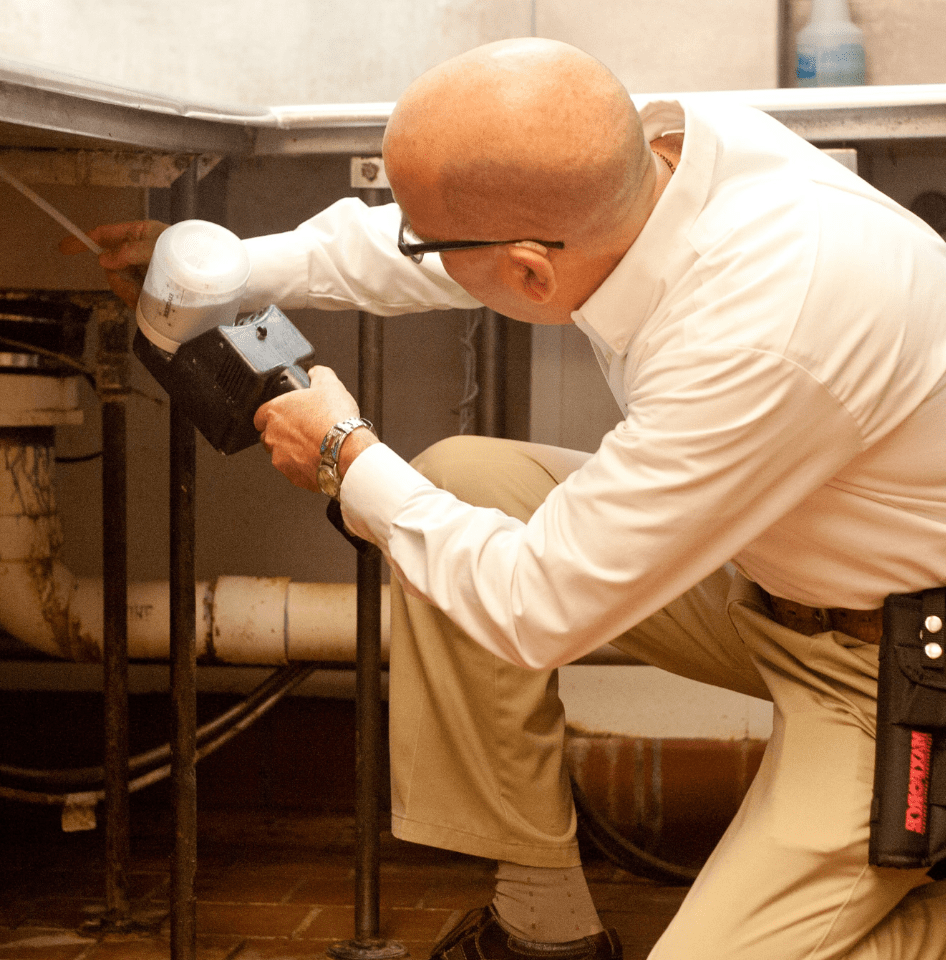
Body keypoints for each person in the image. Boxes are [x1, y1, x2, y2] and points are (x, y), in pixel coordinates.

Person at [67, 38, 946, 960]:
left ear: (531, 274)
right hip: (784, 583)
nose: (414, 246)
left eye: (428, 238)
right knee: (455, 486)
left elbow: (539, 608)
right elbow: (445, 242)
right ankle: (544, 931)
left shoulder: (760, 333)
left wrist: (343, 453)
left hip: (898, 667)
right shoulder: (669, 158)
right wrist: (238, 270)